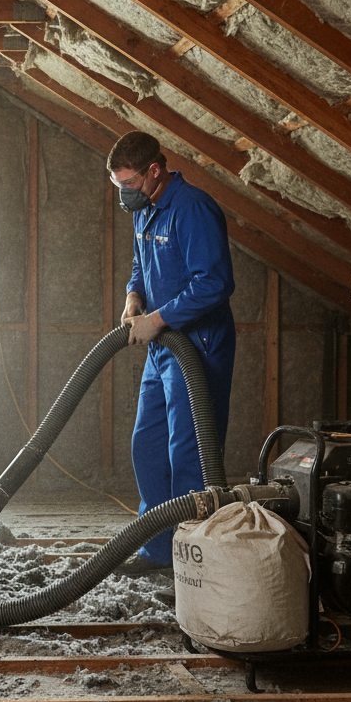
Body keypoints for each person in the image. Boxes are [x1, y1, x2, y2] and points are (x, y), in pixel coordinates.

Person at [109, 132, 236, 573]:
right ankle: (158, 549)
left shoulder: (192, 208)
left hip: (197, 345)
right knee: (147, 445)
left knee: (189, 454)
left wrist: (158, 319)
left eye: (129, 183)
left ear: (154, 171)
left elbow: (215, 283)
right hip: (162, 347)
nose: (124, 193)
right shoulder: (144, 210)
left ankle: (192, 559)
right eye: (118, 185)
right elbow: (140, 265)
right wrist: (133, 297)